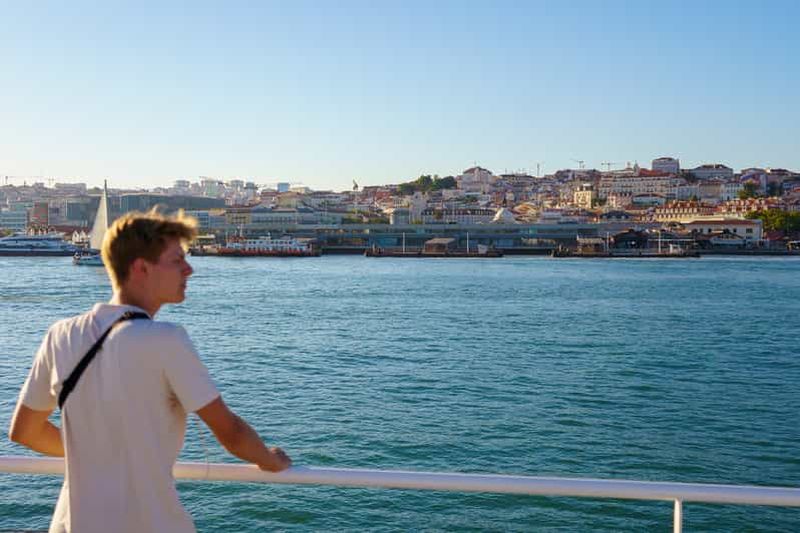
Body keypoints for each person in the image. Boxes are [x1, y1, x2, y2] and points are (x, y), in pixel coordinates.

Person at [9, 210, 291, 533]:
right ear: (141, 268)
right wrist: (270, 459)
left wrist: (94, 452)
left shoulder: (60, 335)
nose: (189, 269)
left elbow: (25, 431)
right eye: (177, 260)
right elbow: (231, 433)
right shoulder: (166, 339)